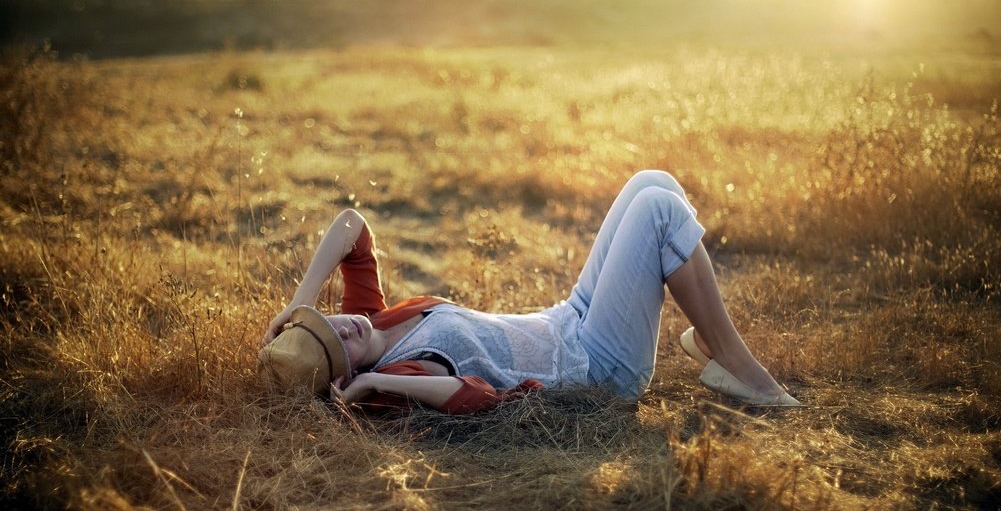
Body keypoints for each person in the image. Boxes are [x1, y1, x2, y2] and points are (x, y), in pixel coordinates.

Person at [258, 170, 800, 413]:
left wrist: (300, 303)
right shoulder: (398, 374)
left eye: (327, 321)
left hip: (568, 319)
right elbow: (473, 397)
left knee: (650, 183)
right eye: (338, 345)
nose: (345, 327)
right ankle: (732, 360)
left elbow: (352, 224)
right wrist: (370, 380)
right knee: (659, 212)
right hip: (598, 367)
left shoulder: (369, 318)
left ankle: (710, 338)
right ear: (342, 376)